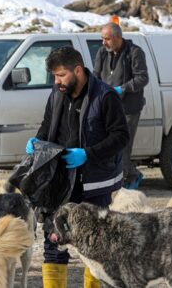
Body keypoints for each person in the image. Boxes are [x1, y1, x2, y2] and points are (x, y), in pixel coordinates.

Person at [25, 46, 128, 288]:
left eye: (61, 75)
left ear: (78, 70)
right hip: (59, 182)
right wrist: (37, 141)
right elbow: (48, 124)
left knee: (94, 249)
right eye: (54, 76)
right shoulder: (57, 93)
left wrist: (88, 155)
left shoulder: (105, 96)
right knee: (53, 243)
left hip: (93, 185)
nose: (57, 81)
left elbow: (121, 136)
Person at [93, 22, 149, 189]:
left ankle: (125, 181)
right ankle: (130, 174)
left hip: (129, 108)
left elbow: (142, 78)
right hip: (108, 107)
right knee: (108, 144)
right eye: (102, 39)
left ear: (118, 38)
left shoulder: (135, 52)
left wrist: (122, 89)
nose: (104, 42)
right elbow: (96, 76)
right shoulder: (103, 52)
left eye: (107, 39)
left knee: (122, 145)